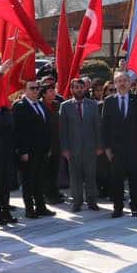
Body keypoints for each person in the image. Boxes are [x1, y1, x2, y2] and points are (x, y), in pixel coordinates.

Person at [101, 71, 137, 218]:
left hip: (134, 148)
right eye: (119, 81)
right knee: (117, 180)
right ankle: (118, 208)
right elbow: (105, 126)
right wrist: (106, 148)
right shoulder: (109, 101)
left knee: (134, 179)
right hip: (115, 149)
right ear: (115, 84)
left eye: (125, 80)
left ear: (130, 83)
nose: (122, 83)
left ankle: (135, 206)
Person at [59, 78, 103, 213]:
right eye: (76, 87)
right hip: (73, 149)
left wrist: (99, 145)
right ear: (72, 89)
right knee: (75, 177)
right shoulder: (65, 106)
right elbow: (63, 129)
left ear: (85, 89)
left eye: (81, 87)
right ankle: (76, 203)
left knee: (90, 176)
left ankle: (92, 202)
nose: (78, 89)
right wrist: (65, 148)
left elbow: (98, 126)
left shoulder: (93, 105)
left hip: (90, 147)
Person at [12, 82, 54, 218]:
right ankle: (29, 209)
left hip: (42, 150)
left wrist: (48, 147)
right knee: (28, 181)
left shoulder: (41, 104)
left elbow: (46, 127)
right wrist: (22, 151)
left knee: (39, 180)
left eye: (37, 88)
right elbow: (18, 132)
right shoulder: (20, 106)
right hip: (28, 151)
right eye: (32, 88)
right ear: (25, 90)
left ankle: (41, 206)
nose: (36, 91)